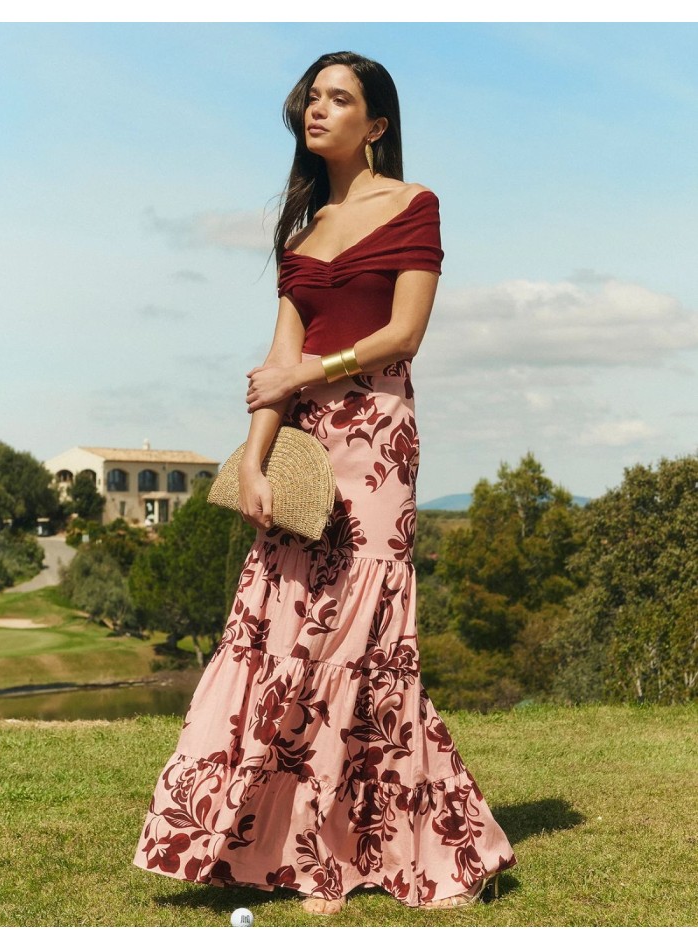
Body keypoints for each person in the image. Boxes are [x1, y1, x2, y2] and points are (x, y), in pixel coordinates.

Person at [132, 50, 517, 916]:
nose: (318, 110)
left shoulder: (414, 205)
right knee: (285, 627)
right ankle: (283, 838)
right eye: (312, 97)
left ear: (375, 124)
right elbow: (278, 363)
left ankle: (350, 848)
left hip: (377, 432)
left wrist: (318, 370)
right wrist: (257, 457)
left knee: (361, 630)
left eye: (339, 99)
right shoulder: (300, 229)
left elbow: (407, 333)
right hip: (306, 440)